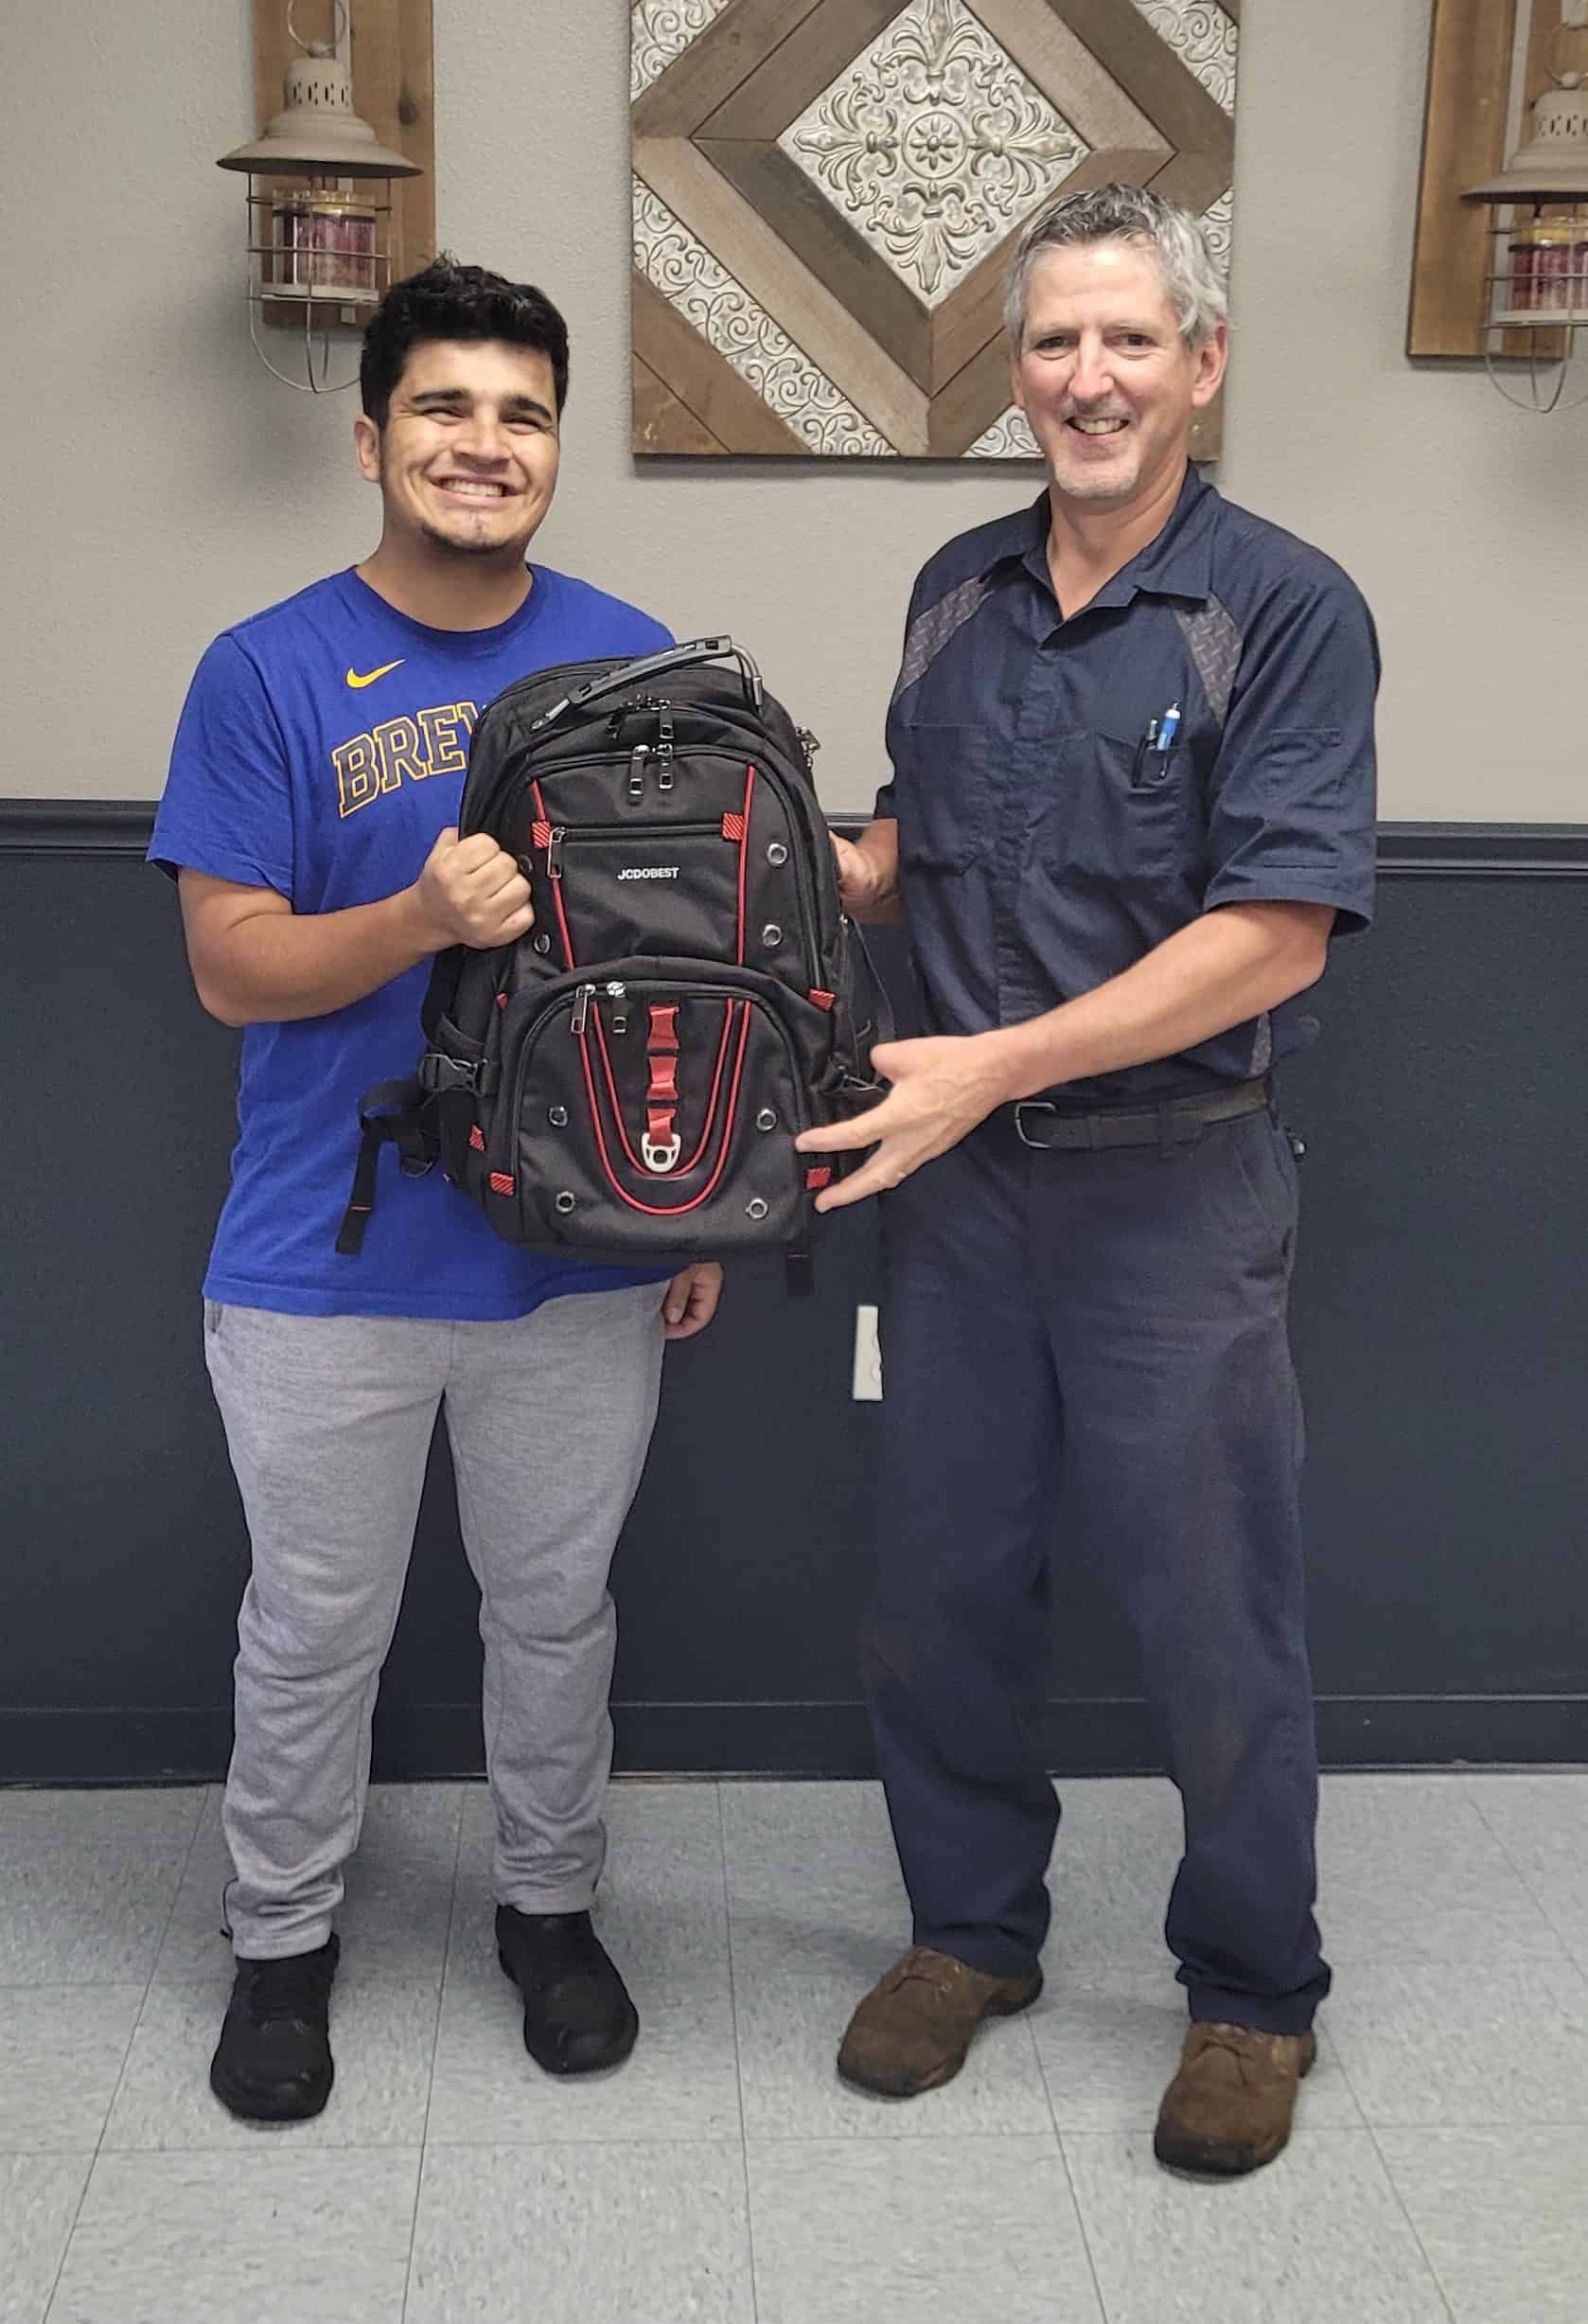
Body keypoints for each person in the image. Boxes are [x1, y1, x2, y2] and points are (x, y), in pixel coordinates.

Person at [799, 184, 1378, 2178]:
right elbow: (917, 850)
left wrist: (994, 1065)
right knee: (939, 1586)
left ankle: (1251, 1991)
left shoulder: (1281, 607)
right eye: (1053, 342)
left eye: (1129, 339)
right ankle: (969, 1932)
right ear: (1016, 376)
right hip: (953, 1200)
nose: (1089, 377)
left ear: (1200, 365)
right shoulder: (950, 590)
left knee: (1210, 1611)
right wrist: (790, 857)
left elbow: (1273, 932)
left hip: (1171, 1193)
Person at [150, 258, 721, 2124]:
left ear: (555, 445)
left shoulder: (635, 661)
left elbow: (678, 963)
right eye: (445, 407)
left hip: (573, 1253)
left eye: (522, 413)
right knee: (315, 1626)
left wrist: (681, 1198)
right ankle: (280, 1942)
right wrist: (414, 914)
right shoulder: (264, 669)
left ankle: (548, 1913)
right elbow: (230, 968)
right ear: (371, 437)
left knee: (556, 1612)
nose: (485, 443)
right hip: (325, 1256)